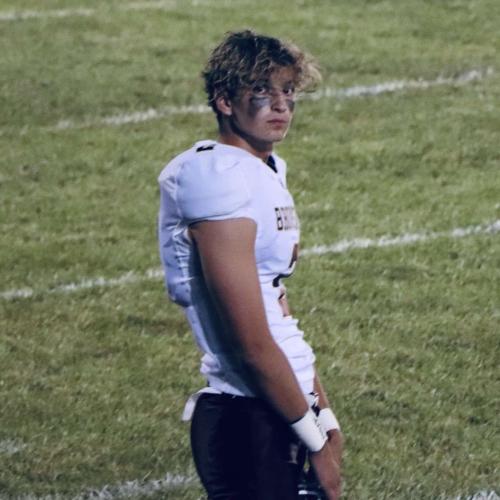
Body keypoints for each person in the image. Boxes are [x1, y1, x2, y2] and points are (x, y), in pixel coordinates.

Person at [158, 30, 342, 500]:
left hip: (284, 403)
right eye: (262, 91)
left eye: (288, 91)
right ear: (225, 101)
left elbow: (276, 302)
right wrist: (314, 439)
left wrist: (323, 413)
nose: (280, 104)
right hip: (247, 417)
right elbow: (251, 343)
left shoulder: (268, 169)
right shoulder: (215, 176)